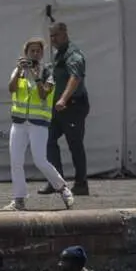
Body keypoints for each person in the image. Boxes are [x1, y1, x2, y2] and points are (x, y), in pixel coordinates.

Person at [1, 37, 73, 212]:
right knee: (16, 161)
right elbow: (11, 89)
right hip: (19, 122)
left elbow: (43, 94)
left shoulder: (48, 71)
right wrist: (19, 70)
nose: (35, 54)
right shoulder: (19, 70)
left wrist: (36, 76)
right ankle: (19, 200)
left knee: (40, 160)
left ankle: (62, 188)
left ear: (42, 54)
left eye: (38, 51)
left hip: (38, 123)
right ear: (26, 53)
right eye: (31, 51)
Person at [40, 22, 90, 196]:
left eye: (56, 35)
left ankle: (81, 183)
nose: (53, 39)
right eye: (51, 36)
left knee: (74, 144)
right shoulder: (57, 55)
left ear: (64, 33)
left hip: (73, 106)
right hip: (57, 108)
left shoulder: (73, 54)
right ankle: (56, 182)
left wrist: (63, 99)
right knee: (48, 140)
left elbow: (75, 78)